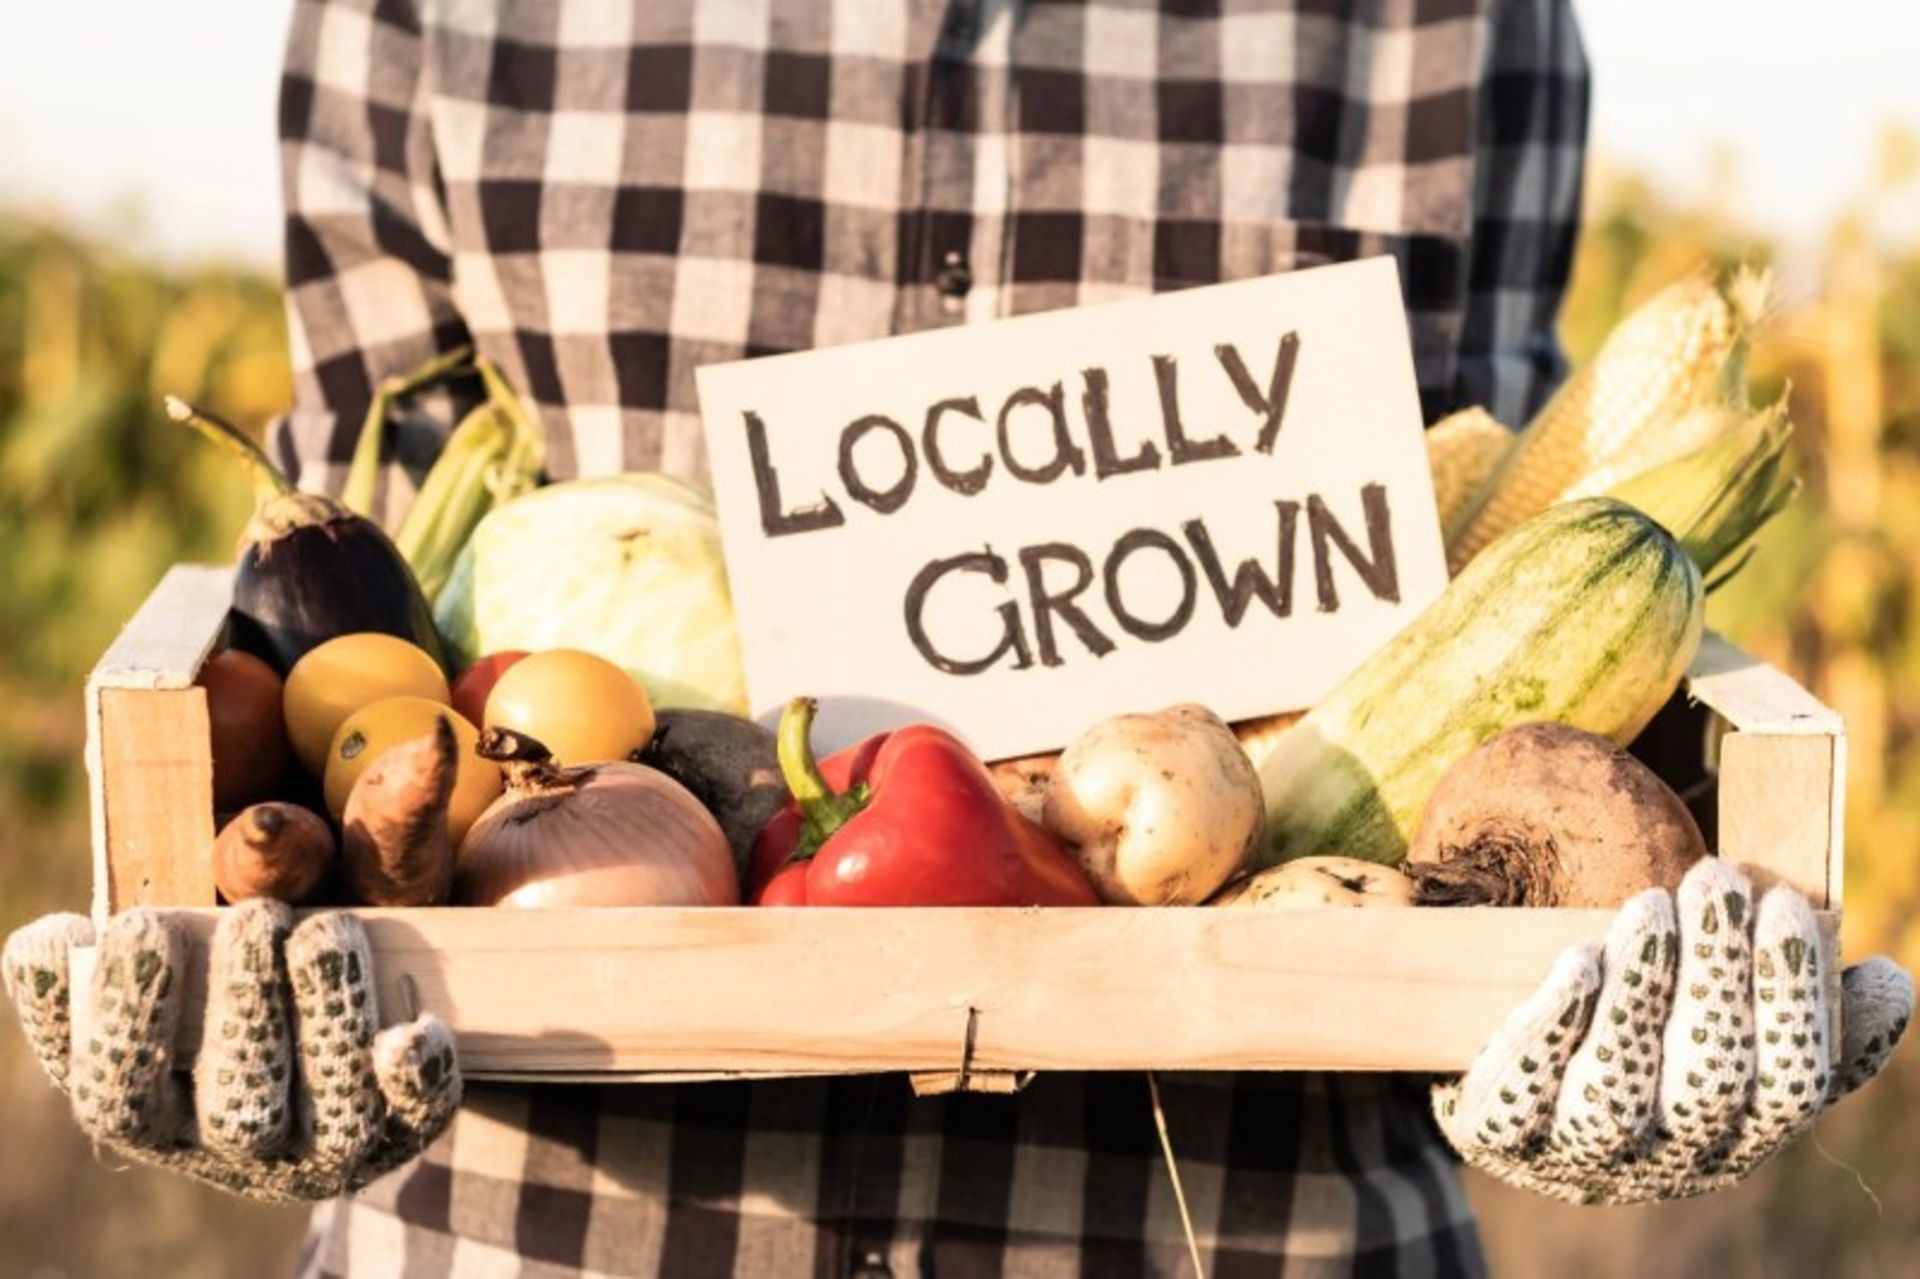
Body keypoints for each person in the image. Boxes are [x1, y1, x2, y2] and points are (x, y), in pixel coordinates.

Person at [5, 1, 1913, 1275]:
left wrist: (1563, 1006)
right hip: (534, 1228)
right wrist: (265, 945)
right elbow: (347, 607)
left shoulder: (1445, 18)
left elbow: (1462, 598)